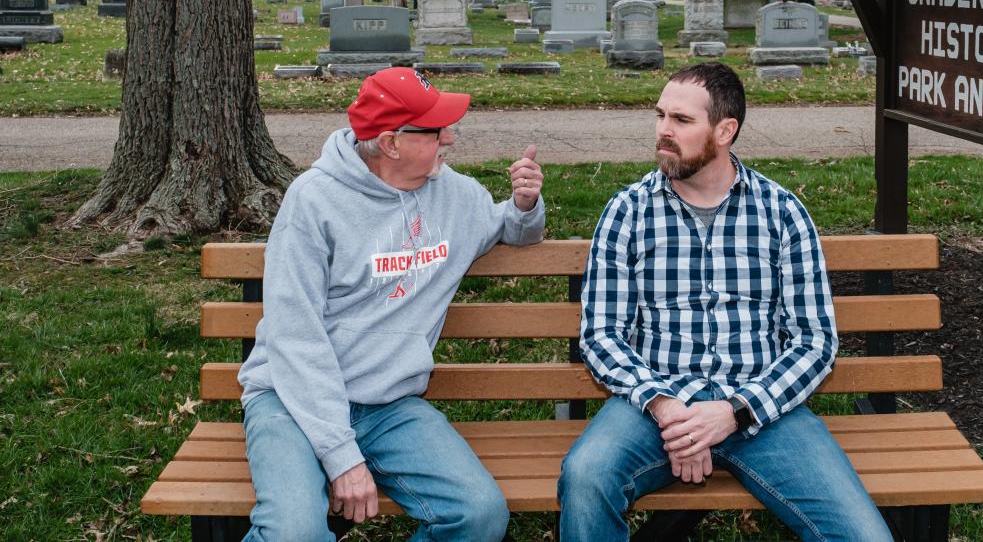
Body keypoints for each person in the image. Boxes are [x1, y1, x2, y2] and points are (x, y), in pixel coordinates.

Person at [558, 62, 890, 542]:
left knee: (866, 537)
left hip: (764, 410)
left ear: (725, 130)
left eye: (681, 121)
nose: (662, 132)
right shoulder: (628, 212)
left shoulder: (782, 212)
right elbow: (601, 335)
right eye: (660, 116)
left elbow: (815, 342)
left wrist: (733, 411)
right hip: (654, 405)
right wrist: (668, 408)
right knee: (586, 477)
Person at [237, 67, 544, 541]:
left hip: (390, 405)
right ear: (391, 143)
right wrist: (341, 454)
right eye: (437, 130)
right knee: (293, 532)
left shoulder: (455, 196)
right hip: (291, 401)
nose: (451, 139)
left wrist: (524, 207)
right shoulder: (314, 202)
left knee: (478, 514)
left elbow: (503, 225)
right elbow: (293, 336)